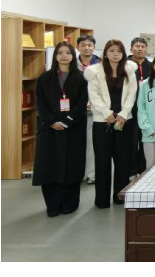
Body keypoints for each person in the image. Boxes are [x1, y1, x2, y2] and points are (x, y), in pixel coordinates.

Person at [33, 42, 88, 217]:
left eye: (68, 53)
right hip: (49, 129)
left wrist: (68, 121)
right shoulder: (44, 78)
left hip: (73, 128)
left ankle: (70, 203)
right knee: (49, 166)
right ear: (55, 56)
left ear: (73, 56)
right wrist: (51, 121)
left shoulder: (81, 78)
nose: (64, 56)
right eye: (60, 53)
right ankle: (52, 205)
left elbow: (82, 102)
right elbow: (40, 102)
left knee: (72, 165)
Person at [84, 40, 138, 209]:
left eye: (119, 51)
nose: (116, 54)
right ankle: (101, 200)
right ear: (106, 53)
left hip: (123, 121)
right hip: (102, 122)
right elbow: (94, 95)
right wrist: (106, 113)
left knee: (122, 161)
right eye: (112, 50)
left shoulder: (129, 70)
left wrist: (123, 114)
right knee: (102, 161)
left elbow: (132, 94)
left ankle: (119, 197)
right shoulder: (95, 71)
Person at [77, 35, 102, 185]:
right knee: (77, 143)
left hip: (95, 109)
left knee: (92, 143)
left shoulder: (100, 64)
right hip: (75, 110)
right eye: (83, 45)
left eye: (89, 45)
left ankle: (91, 174)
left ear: (94, 47)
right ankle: (78, 173)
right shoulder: (73, 64)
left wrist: (94, 102)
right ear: (78, 47)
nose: (86, 48)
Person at [128, 37, 151, 177]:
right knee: (130, 142)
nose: (140, 49)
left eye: (143, 46)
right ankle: (131, 171)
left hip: (147, 110)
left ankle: (143, 169)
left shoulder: (152, 66)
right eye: (137, 46)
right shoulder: (125, 66)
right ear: (131, 49)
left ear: (146, 49)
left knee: (145, 141)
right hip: (129, 109)